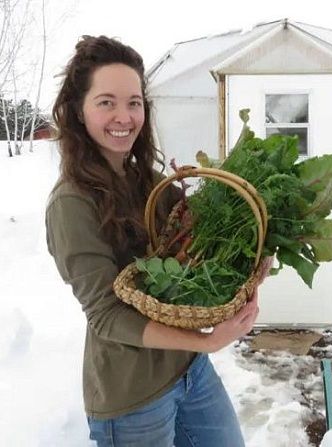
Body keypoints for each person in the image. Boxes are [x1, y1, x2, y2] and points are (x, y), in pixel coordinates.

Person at [46, 35, 263, 447]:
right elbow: (107, 315)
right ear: (78, 111)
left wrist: (248, 260)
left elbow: (201, 242)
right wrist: (208, 340)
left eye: (134, 102)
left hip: (189, 370)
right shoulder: (71, 203)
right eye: (106, 102)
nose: (124, 116)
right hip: (133, 395)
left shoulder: (145, 180)